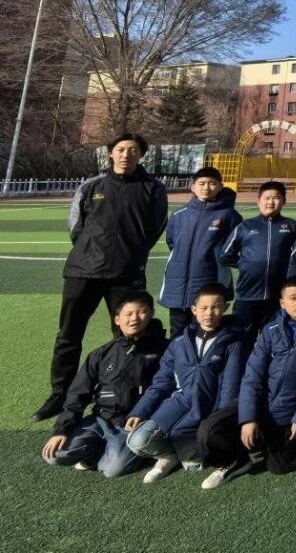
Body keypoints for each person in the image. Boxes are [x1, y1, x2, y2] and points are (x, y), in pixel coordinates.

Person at [36, 133, 168, 422]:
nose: (126, 154)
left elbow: (156, 227)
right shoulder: (91, 185)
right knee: (69, 334)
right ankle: (59, 394)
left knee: (128, 335)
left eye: (133, 150)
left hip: (126, 274)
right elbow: (76, 226)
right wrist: (90, 251)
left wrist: (131, 252)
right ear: (110, 153)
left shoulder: (153, 188)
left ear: (141, 155)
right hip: (83, 271)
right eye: (120, 149)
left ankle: (123, 393)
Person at [212, 275, 296, 488]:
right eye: (293, 298)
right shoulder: (270, 331)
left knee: (278, 466)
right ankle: (238, 459)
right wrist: (249, 418)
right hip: (264, 403)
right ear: (282, 303)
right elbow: (252, 376)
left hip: (292, 409)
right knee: (212, 429)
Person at [124, 283, 245, 484]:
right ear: (194, 310)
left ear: (225, 308)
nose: (209, 313)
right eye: (203, 308)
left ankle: (204, 453)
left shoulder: (233, 342)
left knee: (193, 462)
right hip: (180, 402)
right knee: (138, 441)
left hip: (210, 405)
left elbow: (230, 385)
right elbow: (162, 381)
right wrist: (140, 410)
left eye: (216, 307)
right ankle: (169, 455)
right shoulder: (179, 342)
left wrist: (220, 419)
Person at [40, 291, 167, 477]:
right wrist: (62, 430)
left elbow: (165, 388)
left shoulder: (165, 349)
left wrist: (144, 413)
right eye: (128, 314)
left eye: (141, 312)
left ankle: (120, 452)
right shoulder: (101, 354)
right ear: (117, 319)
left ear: (151, 314)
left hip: (132, 424)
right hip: (101, 419)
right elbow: (77, 394)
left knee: (113, 470)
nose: (134, 318)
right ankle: (105, 449)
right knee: (54, 455)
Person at [158, 166, 241, 339]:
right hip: (177, 285)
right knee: (177, 335)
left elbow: (234, 248)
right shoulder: (179, 214)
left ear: (220, 186)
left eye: (212, 183)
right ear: (193, 187)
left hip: (209, 283)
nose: (206, 187)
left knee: (205, 333)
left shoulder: (229, 216)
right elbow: (172, 242)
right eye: (202, 183)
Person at [219, 181, 296, 334]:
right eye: (266, 198)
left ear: (284, 201)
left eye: (276, 198)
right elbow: (225, 255)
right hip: (247, 295)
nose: (271, 202)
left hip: (278, 297)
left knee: (274, 338)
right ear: (258, 202)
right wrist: (244, 264)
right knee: (243, 338)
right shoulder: (245, 227)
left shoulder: (292, 226)